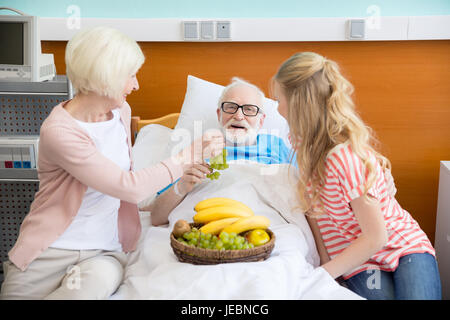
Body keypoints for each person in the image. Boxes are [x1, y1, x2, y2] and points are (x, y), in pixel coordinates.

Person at [0, 26, 223, 300]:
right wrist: (188, 154)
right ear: (107, 77)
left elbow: (120, 186)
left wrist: (169, 193)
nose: (136, 84)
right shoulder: (60, 131)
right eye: (131, 75)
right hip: (49, 250)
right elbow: (128, 187)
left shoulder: (120, 112)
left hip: (103, 253)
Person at [271, 51, 441, 300]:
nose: (277, 109)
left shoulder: (343, 157)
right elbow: (316, 217)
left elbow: (377, 236)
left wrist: (320, 275)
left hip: (402, 246)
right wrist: (328, 272)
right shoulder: (304, 149)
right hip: (357, 260)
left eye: (279, 99)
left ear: (298, 103)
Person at [146, 77, 293, 226]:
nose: (238, 115)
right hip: (203, 226)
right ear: (219, 114)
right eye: (230, 107)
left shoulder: (277, 146)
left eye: (249, 109)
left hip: (267, 227)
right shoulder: (199, 149)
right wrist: (181, 186)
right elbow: (156, 217)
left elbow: (304, 196)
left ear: (261, 121)